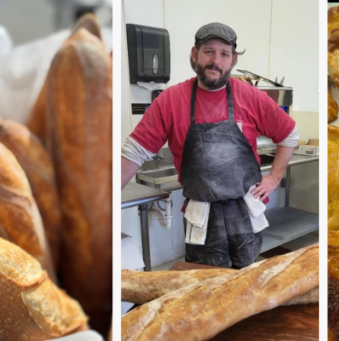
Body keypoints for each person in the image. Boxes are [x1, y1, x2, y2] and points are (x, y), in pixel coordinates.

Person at [121, 22, 298, 269]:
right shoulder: (170, 100)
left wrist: (275, 177)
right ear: (194, 54)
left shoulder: (250, 96)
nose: (216, 60)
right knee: (205, 286)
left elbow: (289, 134)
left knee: (247, 281)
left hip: (245, 211)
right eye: (208, 51)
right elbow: (134, 152)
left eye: (224, 54)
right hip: (201, 216)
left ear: (233, 59)